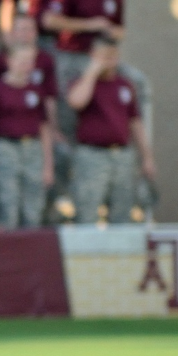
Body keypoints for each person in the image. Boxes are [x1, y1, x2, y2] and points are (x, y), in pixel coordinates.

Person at [65, 35, 153, 225]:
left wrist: (147, 157)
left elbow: (135, 123)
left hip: (122, 155)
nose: (109, 61)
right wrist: (92, 72)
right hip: (92, 155)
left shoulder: (124, 85)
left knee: (123, 210)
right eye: (104, 56)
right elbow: (76, 101)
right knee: (87, 210)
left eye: (113, 56)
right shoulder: (83, 81)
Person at [0, 42, 50, 227]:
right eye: (21, 61)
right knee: (8, 200)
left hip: (32, 148)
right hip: (6, 147)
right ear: (9, 61)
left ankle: (31, 246)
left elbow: (44, 127)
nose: (25, 66)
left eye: (29, 62)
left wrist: (48, 165)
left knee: (34, 204)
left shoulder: (36, 89)